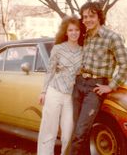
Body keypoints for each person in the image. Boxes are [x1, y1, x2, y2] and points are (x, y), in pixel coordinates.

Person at [69, 1, 127, 155]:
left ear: (99, 17)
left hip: (95, 88)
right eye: (84, 17)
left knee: (81, 130)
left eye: (91, 16)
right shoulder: (85, 37)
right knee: (76, 129)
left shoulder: (112, 37)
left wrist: (111, 86)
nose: (87, 20)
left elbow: (126, 64)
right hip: (79, 85)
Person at [37, 15, 84, 155]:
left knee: (68, 132)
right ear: (66, 32)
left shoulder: (83, 50)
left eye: (77, 29)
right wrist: (43, 91)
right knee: (49, 130)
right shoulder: (58, 48)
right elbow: (50, 71)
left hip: (70, 96)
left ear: (80, 31)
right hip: (54, 92)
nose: (74, 33)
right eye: (70, 30)